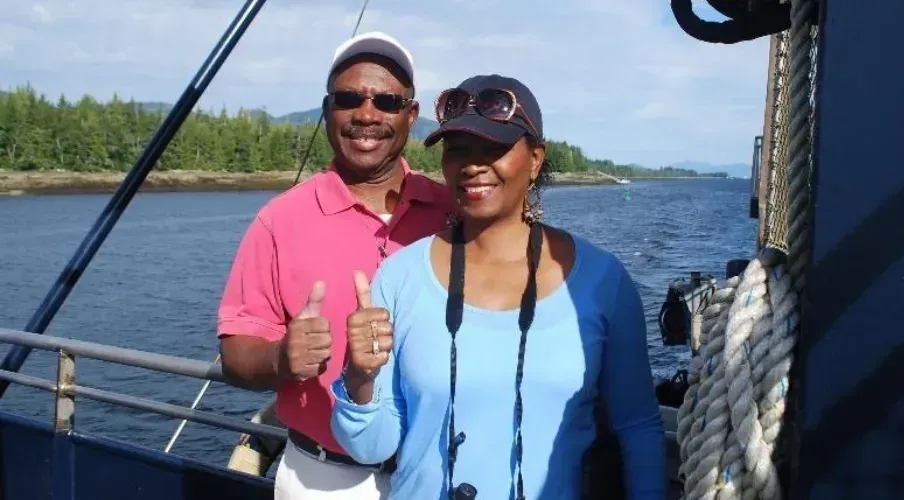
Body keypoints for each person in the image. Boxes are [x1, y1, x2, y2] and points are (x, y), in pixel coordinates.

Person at [330, 74, 666, 500]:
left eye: (494, 149)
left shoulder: (602, 281)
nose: (472, 165)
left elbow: (638, 427)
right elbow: (370, 447)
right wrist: (360, 379)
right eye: (458, 150)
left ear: (536, 159)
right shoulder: (400, 277)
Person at [216, 31, 452, 499]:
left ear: (410, 115)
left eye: (387, 101)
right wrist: (280, 358)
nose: (367, 115)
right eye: (348, 99)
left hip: (439, 472)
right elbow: (236, 355)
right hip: (324, 479)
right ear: (327, 110)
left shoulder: (453, 213)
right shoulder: (278, 220)